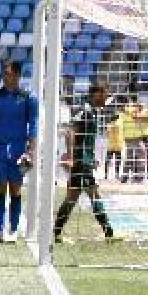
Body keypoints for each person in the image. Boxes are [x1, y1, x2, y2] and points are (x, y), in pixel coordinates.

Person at [0, 61, 39, 243]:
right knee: (0, 187)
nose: (4, 76)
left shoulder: (29, 97)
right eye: (3, 73)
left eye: (8, 73)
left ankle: (13, 229)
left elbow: (33, 125)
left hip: (19, 149)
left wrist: (31, 150)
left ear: (18, 75)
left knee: (16, 189)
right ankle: (0, 229)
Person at [53, 84, 118, 244]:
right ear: (97, 94)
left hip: (84, 161)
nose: (106, 99)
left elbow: (84, 138)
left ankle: (56, 232)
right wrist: (71, 156)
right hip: (80, 162)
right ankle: (109, 233)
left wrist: (91, 157)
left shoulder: (93, 112)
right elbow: (70, 132)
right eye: (105, 95)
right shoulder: (85, 110)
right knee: (93, 196)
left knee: (72, 198)